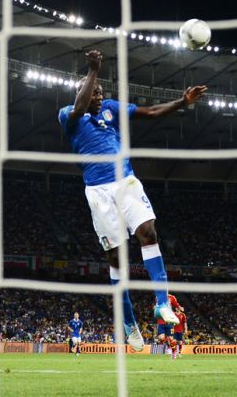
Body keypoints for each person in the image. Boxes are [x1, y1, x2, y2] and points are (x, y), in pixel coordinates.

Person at [57, 49, 207, 351]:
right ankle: (128, 322)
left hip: (125, 180)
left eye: (100, 92)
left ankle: (162, 302)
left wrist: (183, 102)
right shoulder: (67, 115)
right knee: (116, 258)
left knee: (148, 232)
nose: (98, 96)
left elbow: (149, 113)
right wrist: (93, 71)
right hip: (98, 192)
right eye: (93, 92)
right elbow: (78, 106)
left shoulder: (111, 109)